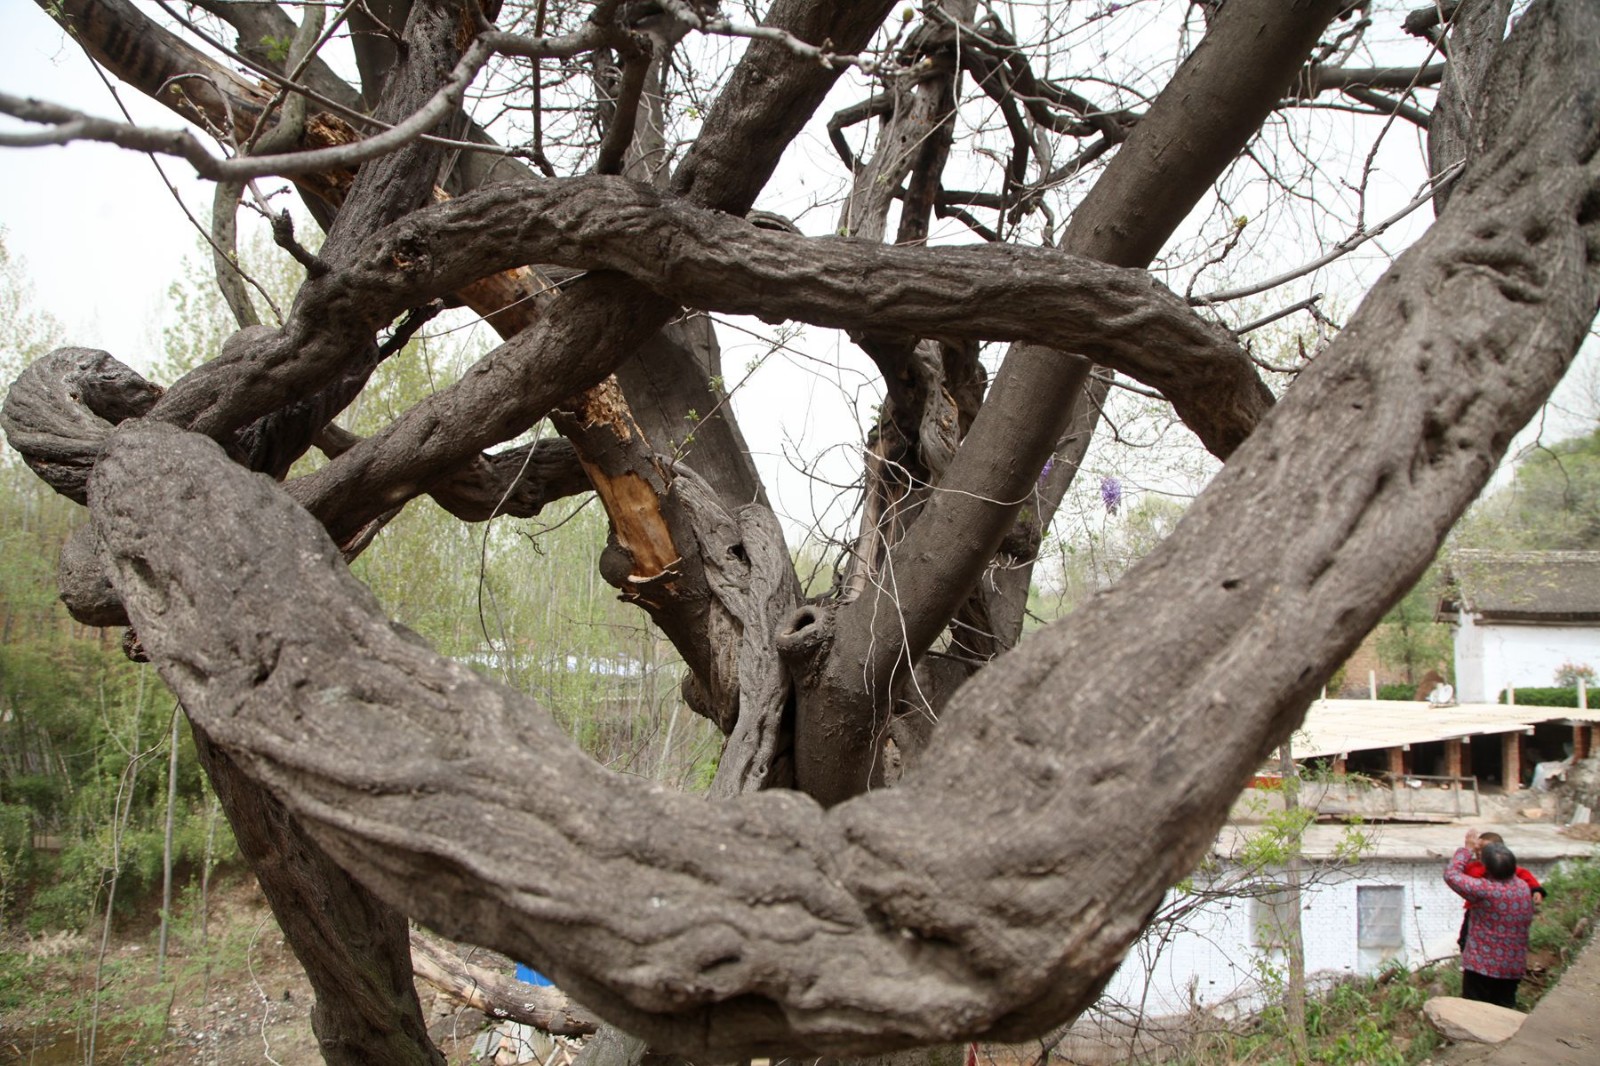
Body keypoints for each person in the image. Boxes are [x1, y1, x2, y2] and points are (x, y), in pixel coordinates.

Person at [1444, 830, 1535, 1009]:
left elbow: (1451, 875)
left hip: (1481, 967)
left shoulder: (1485, 890)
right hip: (1512, 967)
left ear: (1487, 868)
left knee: (1475, 1013)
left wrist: (1467, 849)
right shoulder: (1523, 888)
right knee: (1504, 1011)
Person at [1457, 831, 1545, 949]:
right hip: (1475, 912)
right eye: (1478, 849)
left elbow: (1526, 877)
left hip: (1499, 910)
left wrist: (1536, 891)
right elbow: (1456, 874)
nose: (1480, 853)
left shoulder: (1508, 869)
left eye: (1484, 850)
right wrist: (1468, 851)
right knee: (1466, 939)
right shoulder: (1473, 867)